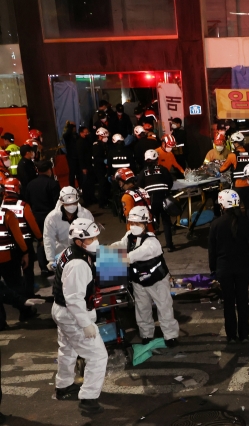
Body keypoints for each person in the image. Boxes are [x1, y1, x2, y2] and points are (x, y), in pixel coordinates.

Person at [52, 218, 107, 414]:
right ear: (79, 242)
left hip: (61, 311)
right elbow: (73, 298)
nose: (96, 241)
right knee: (98, 356)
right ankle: (88, 400)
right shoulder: (78, 264)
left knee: (67, 350)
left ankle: (63, 386)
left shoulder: (70, 253)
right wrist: (86, 324)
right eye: (91, 238)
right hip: (72, 315)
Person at [209, 190, 249, 343]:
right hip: (242, 268)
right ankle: (244, 334)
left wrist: (213, 270)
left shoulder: (216, 224)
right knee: (242, 301)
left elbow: (212, 251)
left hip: (224, 269)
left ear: (222, 205)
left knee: (229, 303)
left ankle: (231, 336)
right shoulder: (244, 221)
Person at [111, 206, 179, 346]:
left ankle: (170, 336)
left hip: (157, 281)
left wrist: (105, 257)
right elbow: (122, 245)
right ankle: (146, 334)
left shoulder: (152, 243)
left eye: (137, 223)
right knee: (142, 309)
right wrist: (108, 248)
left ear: (145, 224)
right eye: (132, 223)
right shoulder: (130, 236)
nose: (134, 226)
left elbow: (130, 257)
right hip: (139, 281)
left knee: (164, 307)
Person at [1, 178, 41, 298]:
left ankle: (18, 297)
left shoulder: (2, 206)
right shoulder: (23, 205)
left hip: (10, 246)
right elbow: (32, 225)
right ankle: (29, 294)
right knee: (28, 270)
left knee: (15, 274)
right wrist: (40, 238)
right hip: (25, 243)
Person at [43, 187, 94, 271]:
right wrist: (51, 259)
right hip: (61, 253)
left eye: (74, 203)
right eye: (68, 204)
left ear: (78, 200)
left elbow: (92, 236)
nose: (71, 206)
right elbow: (48, 238)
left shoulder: (86, 214)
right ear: (61, 202)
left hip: (82, 252)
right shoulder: (52, 218)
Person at [25, 160, 60, 275]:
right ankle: (56, 264)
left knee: (41, 242)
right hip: (50, 217)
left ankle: (43, 268)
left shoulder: (30, 185)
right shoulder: (52, 184)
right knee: (53, 240)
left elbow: (28, 202)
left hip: (36, 218)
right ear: (49, 170)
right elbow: (57, 204)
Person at [137, 150, 175, 252]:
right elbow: (170, 183)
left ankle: (155, 247)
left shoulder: (143, 172)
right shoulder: (163, 169)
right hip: (163, 198)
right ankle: (170, 246)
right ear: (156, 159)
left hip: (151, 200)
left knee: (152, 224)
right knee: (166, 222)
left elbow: (139, 186)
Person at [219, 132, 249, 220]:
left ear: (236, 143)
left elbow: (222, 169)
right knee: (248, 206)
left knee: (236, 207)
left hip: (237, 186)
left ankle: (238, 224)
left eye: (233, 143)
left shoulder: (232, 156)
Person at [76, 126, 96, 205]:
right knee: (85, 184)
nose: (87, 134)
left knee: (91, 182)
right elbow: (80, 156)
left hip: (89, 164)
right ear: (81, 133)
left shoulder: (87, 140)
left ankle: (92, 197)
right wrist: (83, 167)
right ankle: (87, 199)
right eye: (85, 132)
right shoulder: (79, 142)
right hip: (84, 166)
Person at [92, 128, 111, 208]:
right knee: (102, 184)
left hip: (103, 167)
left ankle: (106, 200)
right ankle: (102, 203)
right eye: (104, 136)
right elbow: (96, 158)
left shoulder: (103, 144)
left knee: (105, 184)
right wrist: (104, 161)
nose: (106, 138)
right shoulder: (97, 145)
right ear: (100, 136)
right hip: (99, 168)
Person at [63, 121, 81, 188]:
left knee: (79, 173)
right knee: (72, 173)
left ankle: (81, 186)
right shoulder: (67, 136)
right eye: (73, 128)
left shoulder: (76, 135)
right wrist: (70, 126)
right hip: (71, 157)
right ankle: (72, 187)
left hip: (78, 156)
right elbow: (66, 135)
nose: (74, 129)